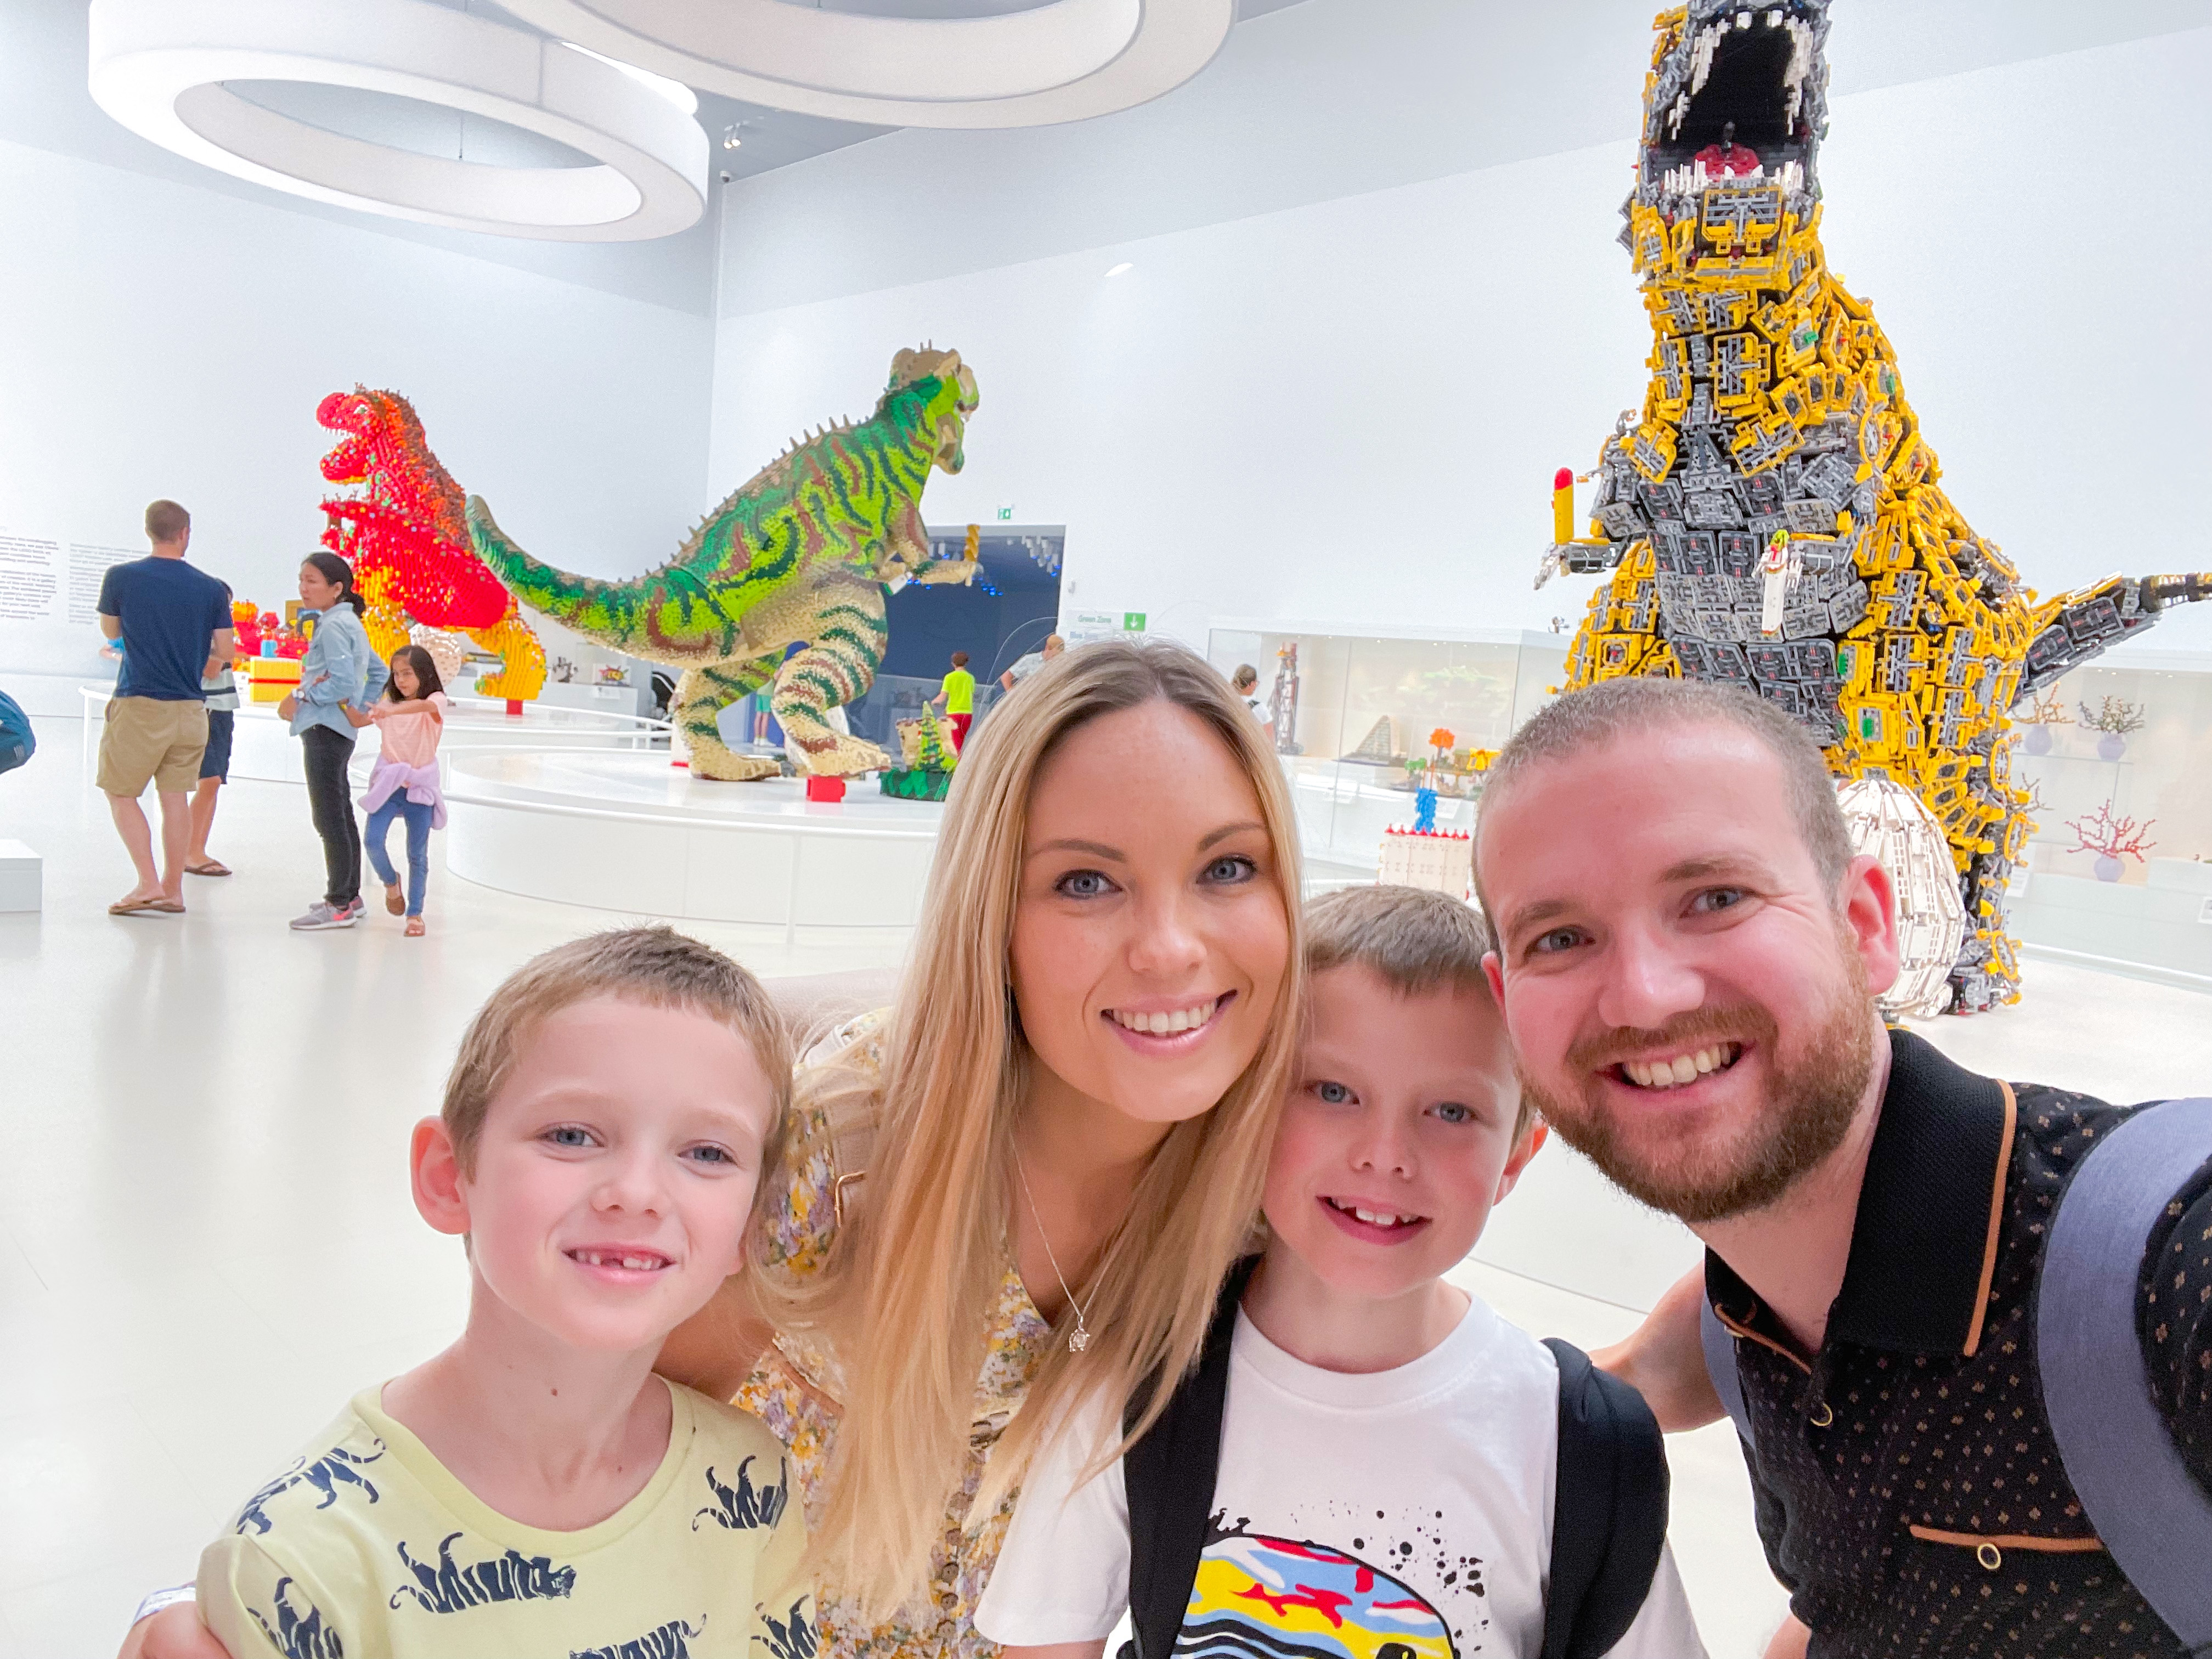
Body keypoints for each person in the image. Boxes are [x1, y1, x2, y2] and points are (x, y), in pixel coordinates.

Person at [126, 639, 1306, 1659]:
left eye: (1227, 868)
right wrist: (264, 1605)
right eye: (1086, 882)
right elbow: (556, 1420)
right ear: (993, 914)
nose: (1169, 948)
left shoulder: (1274, 1186)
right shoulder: (850, 1155)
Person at [1472, 677, 2212, 1657]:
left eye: (1716, 897)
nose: (1644, 997)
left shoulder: (2170, 1268)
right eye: (1558, 937)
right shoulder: (1749, 1309)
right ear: (1504, 997)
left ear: (1864, 924)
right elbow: (1850, 1596)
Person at [978, 884, 1706, 1659]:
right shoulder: (1133, 1386)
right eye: (1332, 1092)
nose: (1385, 1154)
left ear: (1518, 1157)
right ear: (1250, 1108)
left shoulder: (1578, 1451)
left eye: (1452, 1112)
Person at [169, 927, 810, 1657]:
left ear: (749, 1229)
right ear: (449, 1176)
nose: (636, 1193)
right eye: (571, 1135)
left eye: (706, 1153)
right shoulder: (302, 1565)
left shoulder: (751, 1482)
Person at [95, 499, 234, 917]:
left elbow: (112, 630)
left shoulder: (121, 578)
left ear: (149, 530)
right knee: (175, 795)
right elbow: (226, 649)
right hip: (192, 707)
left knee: (120, 792)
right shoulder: (210, 587)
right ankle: (173, 889)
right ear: (185, 533)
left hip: (140, 700)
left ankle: (147, 882)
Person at [278, 552, 387, 932]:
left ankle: (339, 903)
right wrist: (362, 709)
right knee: (338, 813)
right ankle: (349, 897)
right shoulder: (348, 622)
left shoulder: (333, 626)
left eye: (312, 581)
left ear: (337, 588)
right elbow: (379, 671)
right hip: (338, 729)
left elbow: (340, 682)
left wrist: (301, 697)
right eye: (301, 579)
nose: (304, 588)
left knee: (329, 817)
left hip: (325, 728)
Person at [352, 644, 449, 938]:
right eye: (396, 674)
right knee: (372, 842)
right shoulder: (387, 704)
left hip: (420, 786)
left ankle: (415, 913)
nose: (401, 680)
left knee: (417, 855)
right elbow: (359, 719)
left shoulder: (436, 700)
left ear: (424, 673)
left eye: (407, 673)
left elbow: (425, 707)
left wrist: (390, 709)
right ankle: (391, 882)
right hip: (389, 784)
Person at [184, 583, 237, 879]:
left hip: (221, 707)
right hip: (202, 708)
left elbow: (224, 660)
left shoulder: (218, 637)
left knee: (214, 781)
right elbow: (212, 666)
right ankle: (190, 851)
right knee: (208, 778)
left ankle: (196, 849)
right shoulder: (196, 636)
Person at [929, 648, 977, 749]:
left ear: (953, 663)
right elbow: (971, 696)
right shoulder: (971, 678)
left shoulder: (949, 677)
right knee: (960, 742)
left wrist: (933, 702)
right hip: (967, 714)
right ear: (966, 663)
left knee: (953, 744)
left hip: (954, 714)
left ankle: (956, 765)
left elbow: (942, 697)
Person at [998, 633, 1065, 692]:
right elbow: (1006, 677)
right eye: (1055, 655)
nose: (1056, 658)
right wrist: (1012, 695)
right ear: (1048, 647)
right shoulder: (1029, 660)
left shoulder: (1058, 665)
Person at [1229, 662, 1274, 743]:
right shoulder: (1259, 708)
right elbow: (1270, 739)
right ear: (1252, 684)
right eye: (1256, 683)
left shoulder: (1226, 701)